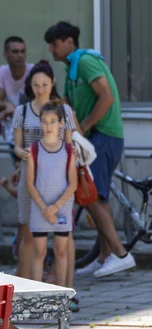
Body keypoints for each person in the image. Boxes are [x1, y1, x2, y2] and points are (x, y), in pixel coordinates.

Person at [45, 21, 136, 278]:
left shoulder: (84, 61)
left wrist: (82, 127)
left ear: (69, 42)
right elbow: (69, 105)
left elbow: (106, 97)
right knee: (98, 197)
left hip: (104, 136)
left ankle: (121, 254)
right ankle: (105, 256)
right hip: (96, 137)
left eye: (55, 43)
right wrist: (47, 88)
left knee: (91, 196)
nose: (51, 49)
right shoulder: (71, 68)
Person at [11, 60, 78, 281]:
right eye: (36, 84)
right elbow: (17, 146)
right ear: (30, 84)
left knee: (64, 236)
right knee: (28, 233)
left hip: (59, 178)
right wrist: (25, 155)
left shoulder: (64, 110)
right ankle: (27, 285)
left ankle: (68, 288)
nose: (40, 89)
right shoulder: (21, 110)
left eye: (45, 84)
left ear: (53, 83)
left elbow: (70, 146)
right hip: (30, 174)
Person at [26, 103, 77, 292]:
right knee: (39, 252)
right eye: (45, 122)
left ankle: (62, 295)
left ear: (61, 123)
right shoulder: (34, 150)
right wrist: (44, 207)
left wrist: (55, 206)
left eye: (53, 121)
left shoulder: (69, 150)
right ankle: (36, 296)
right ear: (40, 123)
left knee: (61, 251)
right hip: (40, 209)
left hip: (61, 207)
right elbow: (30, 183)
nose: (49, 126)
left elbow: (73, 183)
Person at [0, 36, 34, 157]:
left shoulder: (33, 71)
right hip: (14, 130)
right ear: (5, 54)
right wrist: (7, 105)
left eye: (23, 51)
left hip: (32, 128)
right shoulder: (3, 71)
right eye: (15, 51)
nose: (20, 55)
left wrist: (12, 110)